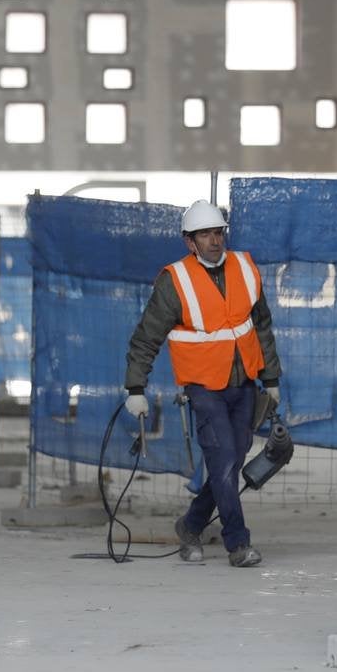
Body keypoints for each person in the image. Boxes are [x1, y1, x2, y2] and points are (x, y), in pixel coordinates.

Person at [123, 199, 283, 568]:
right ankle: (238, 544)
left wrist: (270, 378)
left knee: (232, 457)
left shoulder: (245, 267)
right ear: (189, 241)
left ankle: (191, 524)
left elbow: (262, 325)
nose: (214, 240)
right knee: (225, 461)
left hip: (244, 383)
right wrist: (135, 389)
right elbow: (147, 338)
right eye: (205, 235)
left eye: (218, 232)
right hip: (203, 387)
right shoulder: (174, 281)